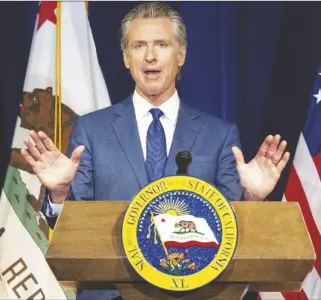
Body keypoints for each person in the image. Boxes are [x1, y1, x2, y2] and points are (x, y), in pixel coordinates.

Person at [21, 2, 290, 299]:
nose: (150, 56)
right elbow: (72, 230)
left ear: (181, 54)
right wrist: (60, 193)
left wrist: (253, 198)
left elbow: (231, 232)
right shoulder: (92, 130)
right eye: (139, 46)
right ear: (126, 57)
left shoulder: (220, 135)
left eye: (161, 44)